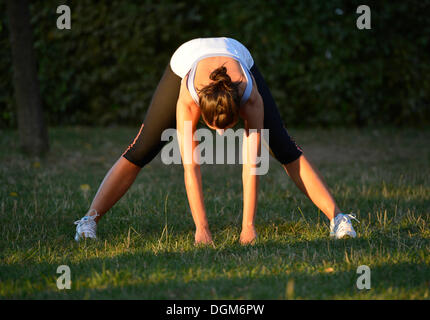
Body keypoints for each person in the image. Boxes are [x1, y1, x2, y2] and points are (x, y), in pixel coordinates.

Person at [74, 37, 358, 244]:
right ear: (202, 116)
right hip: (186, 59)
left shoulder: (250, 97)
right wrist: (202, 228)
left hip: (236, 53)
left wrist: (248, 227)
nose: (221, 135)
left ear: (240, 110)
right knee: (144, 147)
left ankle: (339, 219)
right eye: (214, 128)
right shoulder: (188, 99)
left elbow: (252, 166)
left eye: (229, 127)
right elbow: (191, 168)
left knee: (283, 145)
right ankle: (88, 221)